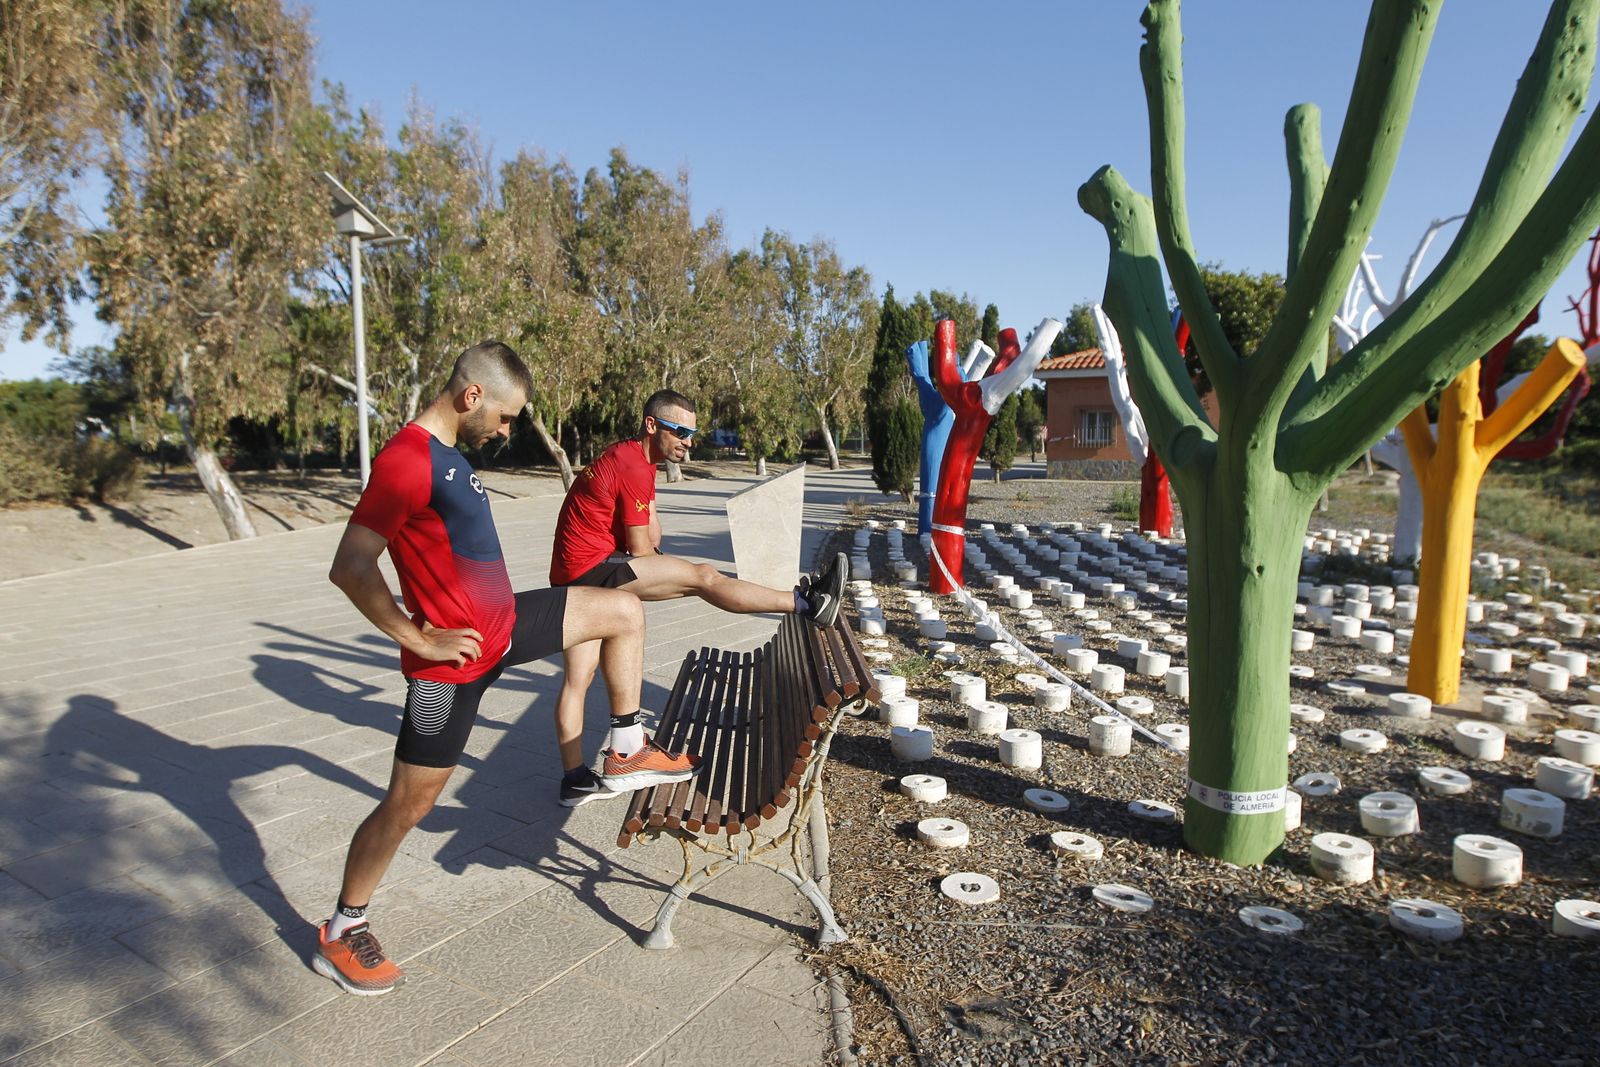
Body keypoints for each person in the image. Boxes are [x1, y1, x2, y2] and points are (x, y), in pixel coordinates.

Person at [315, 341, 697, 997]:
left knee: (623, 612)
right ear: (472, 396)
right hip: (449, 672)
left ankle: (628, 745)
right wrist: (420, 639)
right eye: (506, 416)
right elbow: (350, 566)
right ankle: (343, 926)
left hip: (507, 628)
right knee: (409, 804)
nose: (507, 429)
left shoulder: (449, 460)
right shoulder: (407, 459)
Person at [548, 389, 847, 782]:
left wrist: (654, 538)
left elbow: (652, 536)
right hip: (592, 572)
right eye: (679, 432)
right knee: (704, 577)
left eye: (692, 433)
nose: (687, 442)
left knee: (578, 678)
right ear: (652, 425)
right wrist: (674, 569)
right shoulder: (634, 466)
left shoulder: (632, 458)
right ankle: (808, 603)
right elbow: (644, 548)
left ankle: (573, 780)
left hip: (570, 578)